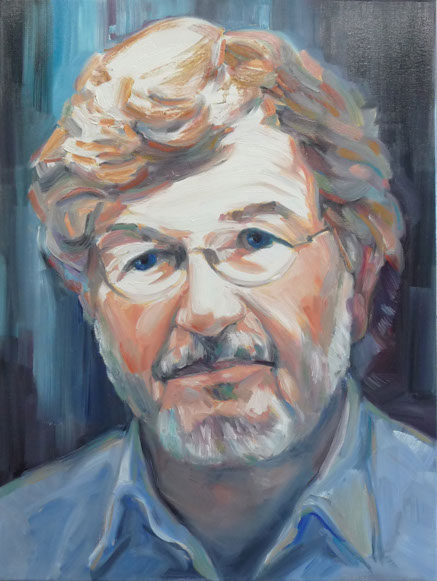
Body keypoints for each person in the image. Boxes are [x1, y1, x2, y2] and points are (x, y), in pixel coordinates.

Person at [0, 17, 435, 581]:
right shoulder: (17, 545)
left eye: (255, 241)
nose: (206, 312)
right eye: (147, 260)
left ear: (359, 277)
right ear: (90, 302)